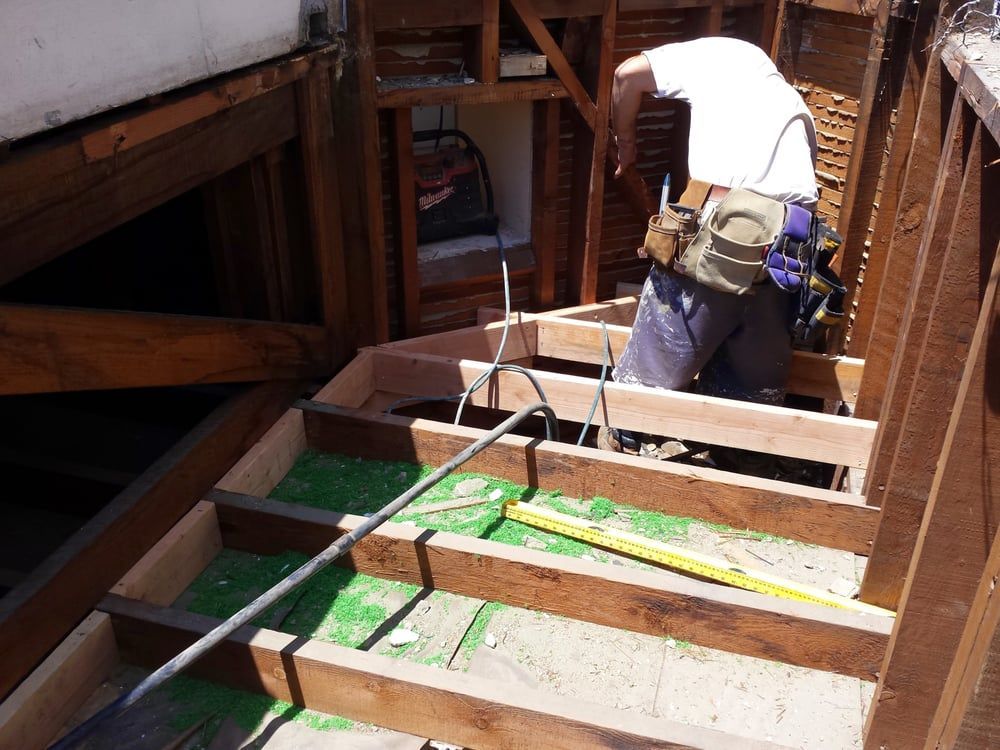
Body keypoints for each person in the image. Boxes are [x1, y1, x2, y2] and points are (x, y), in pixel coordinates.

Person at [598, 37, 819, 474]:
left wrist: (625, 142)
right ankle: (739, 461)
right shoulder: (790, 102)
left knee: (652, 368)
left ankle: (620, 451)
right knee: (749, 391)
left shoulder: (718, 57)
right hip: (794, 244)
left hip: (730, 229)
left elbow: (627, 75)